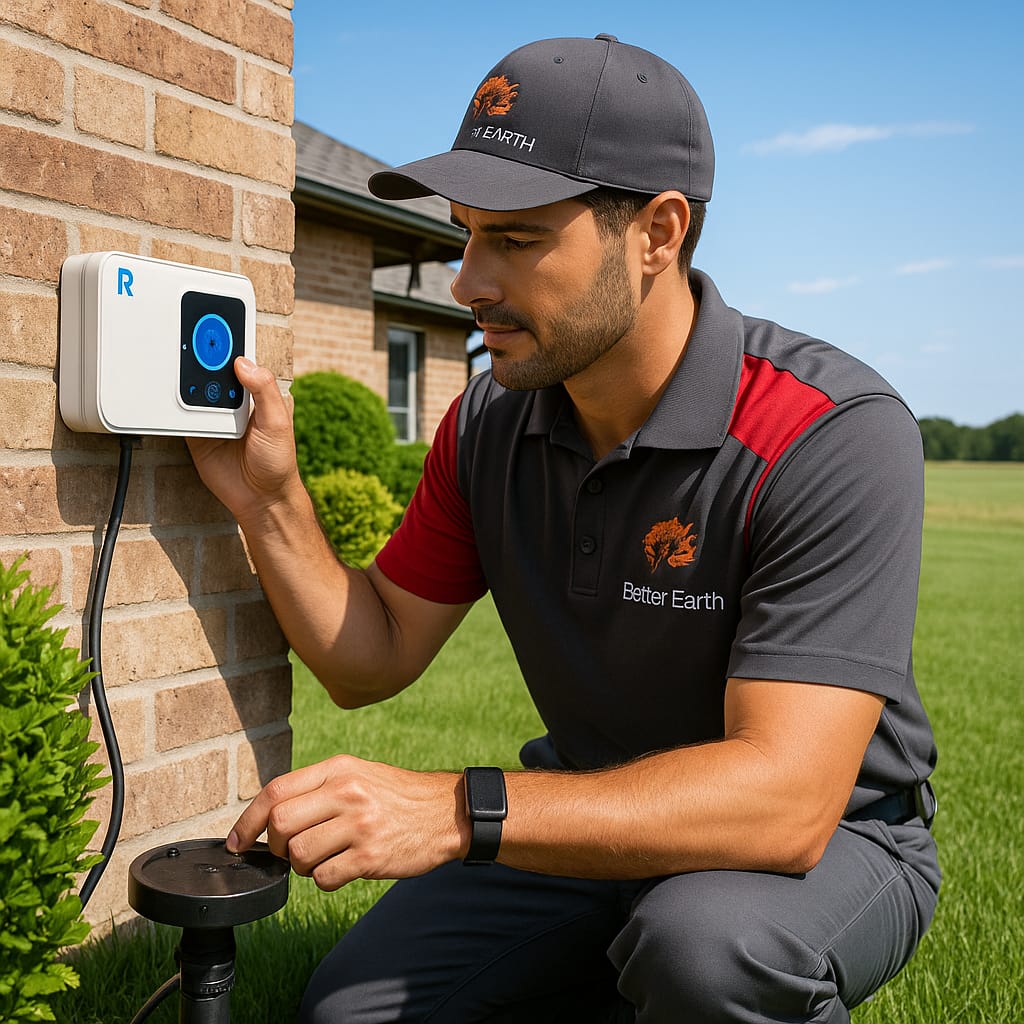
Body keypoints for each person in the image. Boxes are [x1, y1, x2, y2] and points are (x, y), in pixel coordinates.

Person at [188, 34, 940, 1024]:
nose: (466, 282)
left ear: (658, 232)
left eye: (516, 238)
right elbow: (368, 660)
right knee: (350, 1012)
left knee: (704, 949)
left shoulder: (826, 431)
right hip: (583, 810)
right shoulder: (489, 420)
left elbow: (787, 800)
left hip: (829, 842)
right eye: (465, 234)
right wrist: (270, 501)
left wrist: (461, 812)